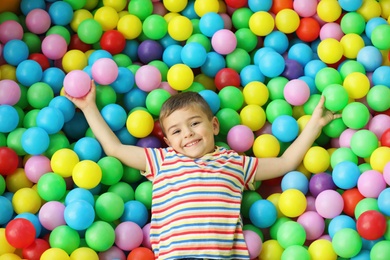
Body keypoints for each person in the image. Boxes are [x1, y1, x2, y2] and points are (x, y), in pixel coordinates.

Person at [66, 80, 340, 260]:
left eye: (195, 123)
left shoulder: (235, 163)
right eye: (176, 131)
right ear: (168, 141)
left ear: (215, 126)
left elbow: (285, 163)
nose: (187, 134)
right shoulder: (163, 160)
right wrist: (89, 107)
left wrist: (314, 126)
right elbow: (114, 149)